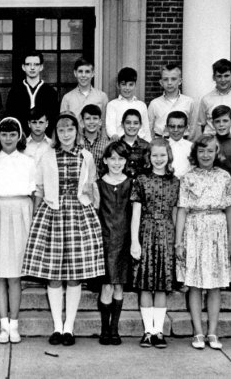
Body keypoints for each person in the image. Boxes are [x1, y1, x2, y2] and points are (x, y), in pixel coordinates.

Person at [22, 112, 104, 347]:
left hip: (78, 214)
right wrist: (36, 217)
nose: (66, 134)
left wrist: (92, 215)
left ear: (76, 132)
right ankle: (57, 326)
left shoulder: (86, 156)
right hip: (53, 214)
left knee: (75, 276)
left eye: (70, 129)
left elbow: (90, 187)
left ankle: (70, 328)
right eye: (61, 130)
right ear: (56, 132)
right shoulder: (47, 156)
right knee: (54, 275)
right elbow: (38, 188)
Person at [175, 135, 231, 350]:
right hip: (193, 227)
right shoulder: (187, 177)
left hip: (217, 228)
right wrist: (178, 242)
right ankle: (198, 332)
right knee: (194, 283)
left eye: (210, 150)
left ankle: (212, 332)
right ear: (195, 153)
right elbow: (182, 209)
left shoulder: (225, 177)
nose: (205, 155)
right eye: (201, 151)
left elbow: (229, 208)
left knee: (214, 285)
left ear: (217, 152)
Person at [0, 118, 35, 344]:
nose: (8, 138)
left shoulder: (28, 161)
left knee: (14, 275)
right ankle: (3, 325)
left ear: (19, 136)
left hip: (20, 212)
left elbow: (34, 194)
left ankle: (14, 325)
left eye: (12, 134)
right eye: (4, 134)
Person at [130, 138, 180, 348]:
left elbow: (177, 213)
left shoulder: (175, 181)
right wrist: (134, 241)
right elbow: (136, 213)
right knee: (145, 285)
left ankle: (158, 330)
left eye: (162, 155)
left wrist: (178, 241)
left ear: (168, 156)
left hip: (167, 234)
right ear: (148, 158)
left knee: (161, 286)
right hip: (146, 232)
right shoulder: (141, 180)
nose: (158, 159)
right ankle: (147, 331)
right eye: (154, 155)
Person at [96, 141, 132, 346]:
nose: (116, 163)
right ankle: (104, 329)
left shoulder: (131, 183)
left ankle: (114, 329)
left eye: (120, 159)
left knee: (119, 285)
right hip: (105, 240)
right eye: (113, 159)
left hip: (124, 240)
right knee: (107, 286)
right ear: (105, 160)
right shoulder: (99, 184)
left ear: (126, 161)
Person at [5, 52, 59, 136]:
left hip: (45, 141)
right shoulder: (15, 91)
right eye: (28, 64)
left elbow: (53, 119)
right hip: (20, 140)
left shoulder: (50, 92)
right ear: (23, 67)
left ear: (41, 67)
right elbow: (11, 118)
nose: (32, 68)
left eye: (36, 64)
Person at [198, 59, 231, 137]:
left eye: (226, 76)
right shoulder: (206, 99)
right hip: (212, 140)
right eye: (219, 76)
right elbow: (203, 124)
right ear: (214, 77)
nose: (223, 80)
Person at [147, 64, 196, 139]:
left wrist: (187, 144)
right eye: (165, 79)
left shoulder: (189, 102)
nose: (169, 83)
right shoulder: (154, 104)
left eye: (173, 79)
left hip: (183, 142)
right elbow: (149, 128)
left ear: (180, 81)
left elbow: (193, 127)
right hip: (161, 143)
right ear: (161, 82)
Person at [106, 67, 151, 142]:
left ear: (135, 85)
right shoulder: (112, 104)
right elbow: (110, 126)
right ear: (118, 85)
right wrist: (114, 135)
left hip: (140, 144)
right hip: (120, 144)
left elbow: (146, 128)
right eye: (123, 84)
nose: (127, 88)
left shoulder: (141, 105)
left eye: (131, 85)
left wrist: (149, 143)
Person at [60, 58, 108, 123]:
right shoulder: (67, 98)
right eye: (80, 71)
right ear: (75, 73)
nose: (83, 75)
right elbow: (63, 123)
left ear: (93, 73)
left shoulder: (102, 96)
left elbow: (104, 123)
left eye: (87, 72)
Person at [117, 109, 149, 179]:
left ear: (140, 125)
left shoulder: (147, 147)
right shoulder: (116, 146)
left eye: (136, 123)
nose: (132, 126)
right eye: (128, 123)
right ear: (122, 124)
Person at [81, 104, 110, 177]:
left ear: (100, 122)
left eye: (95, 118)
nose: (91, 122)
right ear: (82, 122)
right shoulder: (77, 142)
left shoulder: (106, 144)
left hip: (100, 184)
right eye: (88, 118)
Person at [166, 111, 192, 179]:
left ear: (186, 128)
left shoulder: (191, 147)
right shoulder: (161, 146)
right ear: (166, 127)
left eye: (180, 127)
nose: (176, 130)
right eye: (172, 126)